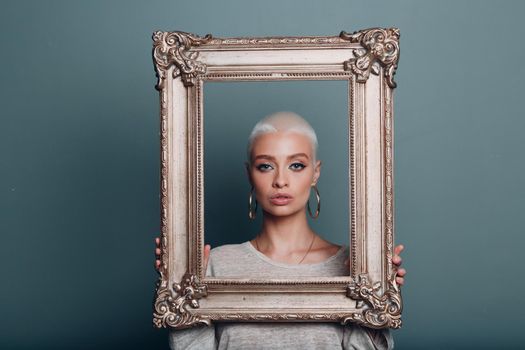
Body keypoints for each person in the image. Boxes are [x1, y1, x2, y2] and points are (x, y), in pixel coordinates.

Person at [155, 111, 406, 349]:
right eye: (266, 166)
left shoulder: (353, 266)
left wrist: (377, 298)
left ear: (315, 173)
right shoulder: (216, 264)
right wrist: (178, 288)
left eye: (296, 165)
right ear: (249, 174)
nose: (280, 181)